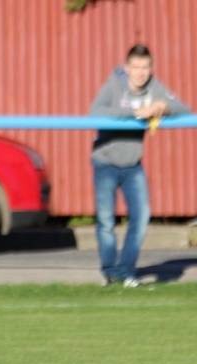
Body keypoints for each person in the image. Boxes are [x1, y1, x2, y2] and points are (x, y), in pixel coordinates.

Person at [90, 44, 189, 288]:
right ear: (127, 68)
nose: (141, 72)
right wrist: (135, 112)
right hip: (105, 161)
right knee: (106, 221)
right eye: (136, 67)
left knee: (142, 216)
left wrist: (161, 107)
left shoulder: (154, 87)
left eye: (145, 67)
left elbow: (184, 109)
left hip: (133, 164)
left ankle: (126, 270)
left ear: (150, 68)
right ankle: (111, 272)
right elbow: (95, 112)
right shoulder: (115, 83)